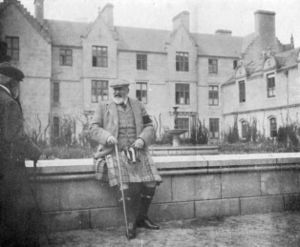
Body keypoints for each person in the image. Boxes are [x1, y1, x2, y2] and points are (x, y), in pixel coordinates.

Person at [90, 79, 162, 239]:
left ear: (127, 90)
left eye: (120, 89)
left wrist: (142, 139)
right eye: (114, 89)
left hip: (137, 150)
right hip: (114, 150)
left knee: (151, 182)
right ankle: (130, 222)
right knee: (124, 185)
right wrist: (107, 137)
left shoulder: (138, 105)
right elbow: (93, 128)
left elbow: (149, 126)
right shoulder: (103, 107)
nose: (116, 92)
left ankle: (142, 217)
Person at [0, 62, 42, 246]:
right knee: (18, 212)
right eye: (17, 84)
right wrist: (36, 152)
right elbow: (15, 136)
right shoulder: (9, 102)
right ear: (12, 83)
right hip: (8, 167)